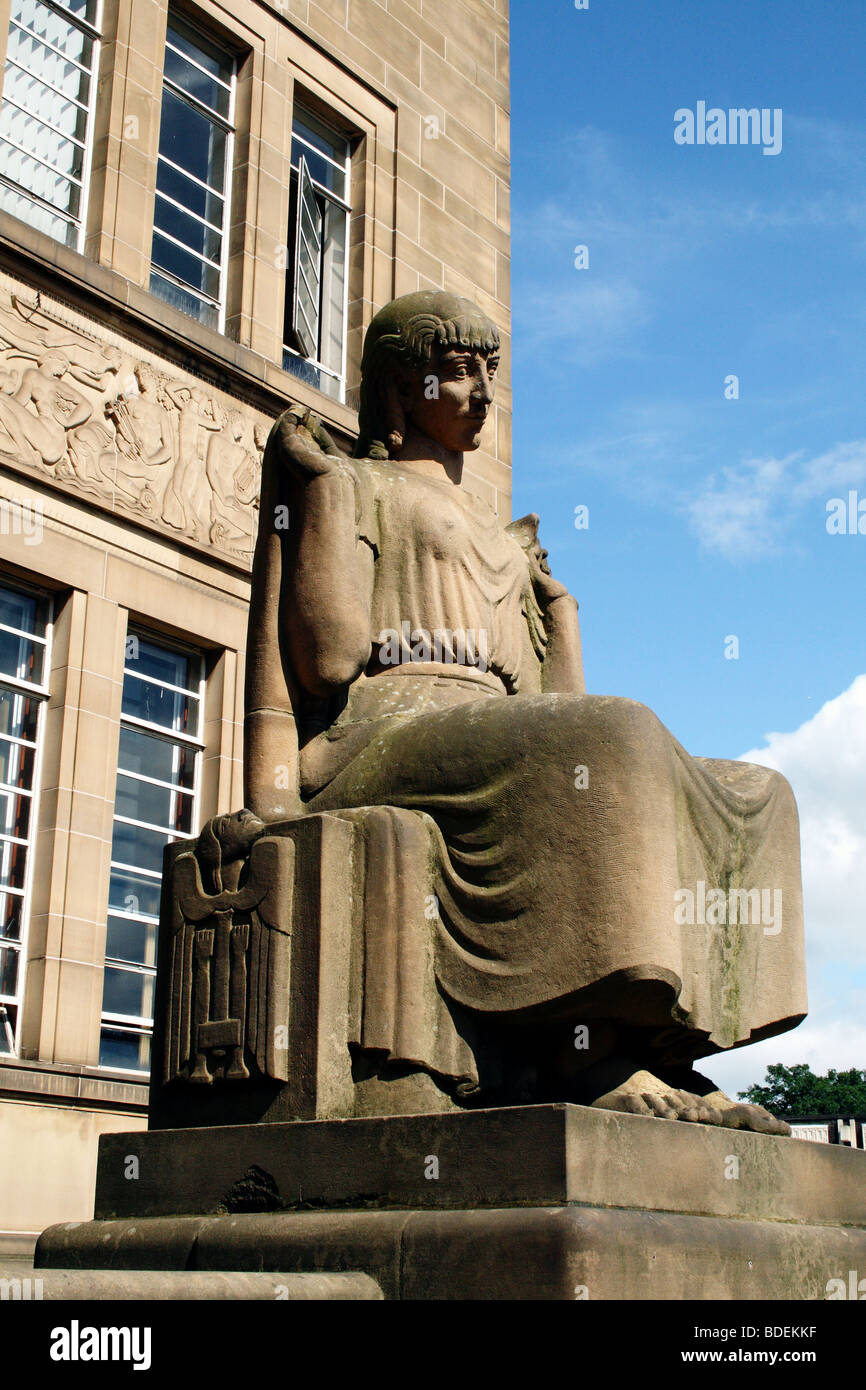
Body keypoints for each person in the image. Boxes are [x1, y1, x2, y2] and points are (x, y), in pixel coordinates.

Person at [245, 291, 806, 1132]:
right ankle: (580, 1054)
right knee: (617, 735)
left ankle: (660, 1042)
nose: (481, 396)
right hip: (382, 729)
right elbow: (326, 661)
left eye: (487, 377)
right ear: (402, 390)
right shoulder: (355, 484)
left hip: (493, 733)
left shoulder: (506, 536)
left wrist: (563, 612)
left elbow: (565, 719)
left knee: (759, 790)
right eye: (458, 375)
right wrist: (323, 492)